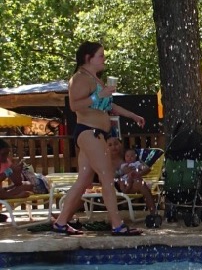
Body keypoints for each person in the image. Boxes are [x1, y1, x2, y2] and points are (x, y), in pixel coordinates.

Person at [51, 41, 146, 236]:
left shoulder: (96, 80)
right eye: (101, 55)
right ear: (88, 58)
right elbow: (74, 105)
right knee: (107, 177)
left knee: (84, 180)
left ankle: (60, 222)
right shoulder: (79, 78)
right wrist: (98, 96)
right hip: (89, 132)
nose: (104, 59)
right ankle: (117, 225)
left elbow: (109, 106)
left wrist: (133, 115)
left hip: (96, 133)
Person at [106, 136, 157, 215]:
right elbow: (104, 177)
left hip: (132, 183)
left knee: (140, 183)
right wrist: (120, 173)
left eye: (116, 144)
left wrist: (137, 173)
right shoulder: (105, 160)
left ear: (121, 144)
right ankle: (153, 213)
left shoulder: (129, 155)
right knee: (136, 182)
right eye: (110, 145)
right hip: (116, 187)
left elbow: (147, 168)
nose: (113, 147)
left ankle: (154, 214)